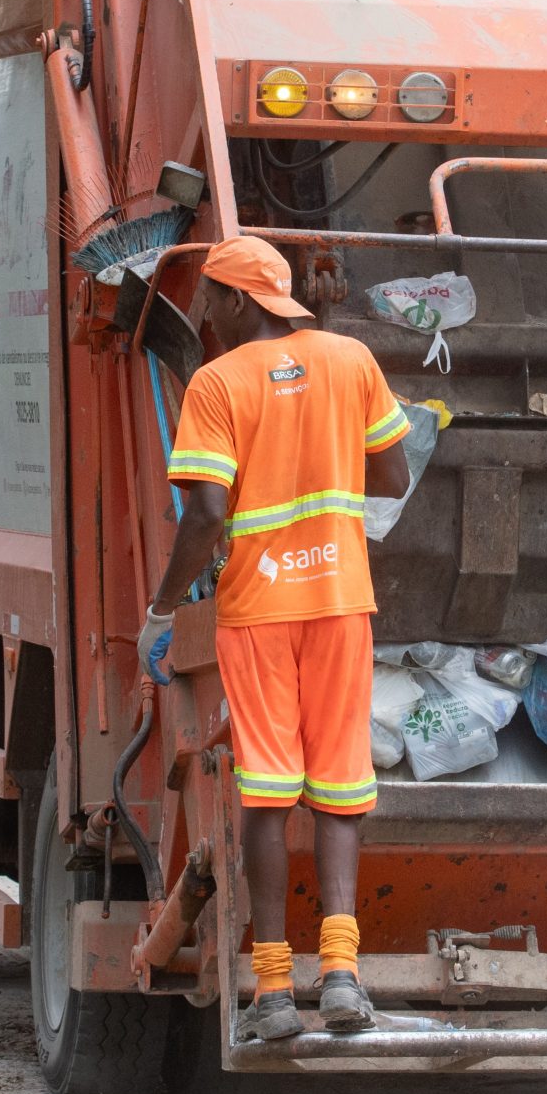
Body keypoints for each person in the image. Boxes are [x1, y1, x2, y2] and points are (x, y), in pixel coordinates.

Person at [135, 235, 412, 1042]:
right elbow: (393, 474)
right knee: (338, 788)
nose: (206, 315)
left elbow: (207, 514)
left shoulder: (216, 383)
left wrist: (160, 610)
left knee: (266, 791)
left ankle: (270, 990)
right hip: (339, 602)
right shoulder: (351, 360)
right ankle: (341, 977)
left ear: (238, 301)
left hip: (258, 613)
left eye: (212, 299)